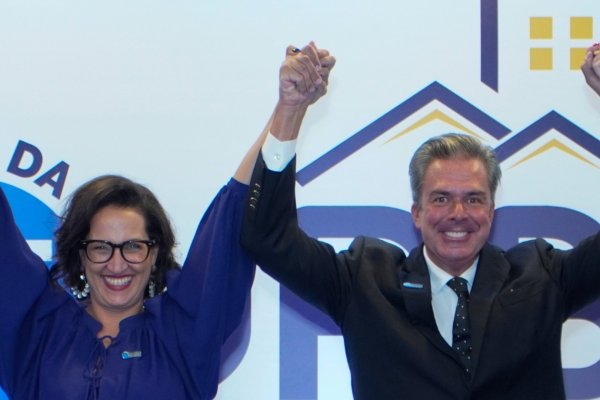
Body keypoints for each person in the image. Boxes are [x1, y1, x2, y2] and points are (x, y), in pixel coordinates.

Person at [241, 42, 600, 399]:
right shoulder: (364, 282)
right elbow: (269, 239)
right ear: (417, 212)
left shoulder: (541, 277)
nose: (458, 213)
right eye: (441, 198)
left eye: (473, 199)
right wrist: (291, 109)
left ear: (491, 211)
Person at [0, 86, 276, 398]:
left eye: (133, 246)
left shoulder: (182, 336)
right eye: (101, 247)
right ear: (80, 254)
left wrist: (288, 109)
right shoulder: (39, 331)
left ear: (154, 252)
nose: (117, 265)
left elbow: (231, 215)